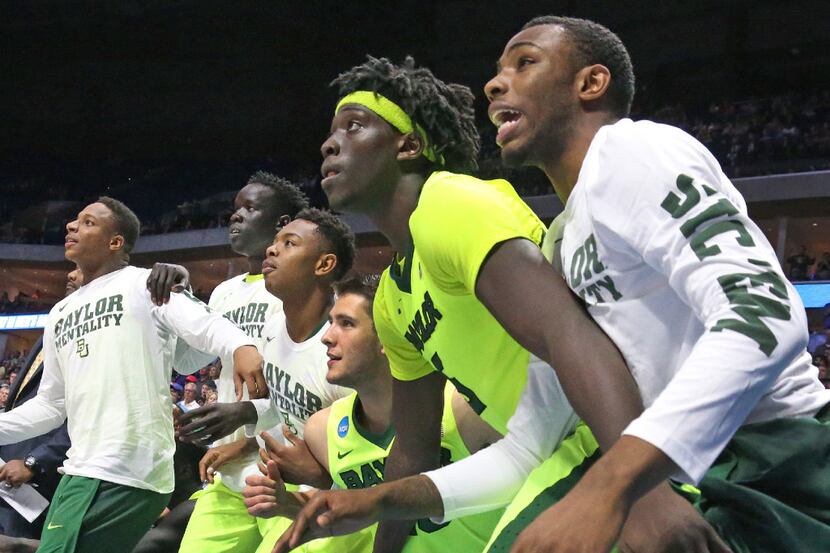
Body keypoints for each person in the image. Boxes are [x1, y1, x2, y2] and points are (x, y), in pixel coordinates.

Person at [275, 56, 711, 553]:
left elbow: (567, 332)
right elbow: (414, 448)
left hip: (623, 440)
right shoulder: (394, 296)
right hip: (543, 456)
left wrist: (640, 489)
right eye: (332, 133)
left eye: (354, 126)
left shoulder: (450, 203)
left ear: (409, 145)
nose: (329, 144)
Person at [480, 15, 830, 552]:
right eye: (498, 71)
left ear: (591, 84)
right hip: (692, 472)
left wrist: (614, 484)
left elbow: (765, 308)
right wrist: (378, 498)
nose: (495, 83)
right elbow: (531, 439)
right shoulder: (562, 239)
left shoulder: (633, 151)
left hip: (783, 467)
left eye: (525, 62)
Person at [0, 197, 263, 553]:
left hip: (129, 468)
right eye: (74, 221)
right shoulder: (60, 312)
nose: (71, 226)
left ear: (116, 242)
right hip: (78, 470)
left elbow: (205, 325)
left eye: (88, 222)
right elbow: (50, 404)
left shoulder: (144, 284)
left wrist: (242, 347)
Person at [249, 274, 503, 553]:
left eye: (346, 323)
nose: (326, 337)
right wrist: (287, 503)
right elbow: (356, 510)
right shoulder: (322, 430)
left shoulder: (463, 407)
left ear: (388, 337)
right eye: (331, 322)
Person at [139, 171, 310, 553]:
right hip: (228, 472)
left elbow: (302, 384)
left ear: (281, 224)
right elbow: (187, 362)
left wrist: (247, 443)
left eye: (249, 208)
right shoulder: (224, 292)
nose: (235, 217)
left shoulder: (293, 289)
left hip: (283, 469)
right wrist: (180, 301)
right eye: (234, 209)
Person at [176, 208, 356, 552]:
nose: (272, 250)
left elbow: (378, 446)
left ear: (323, 265)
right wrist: (246, 434)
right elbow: (285, 406)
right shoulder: (274, 329)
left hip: (320, 498)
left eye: (289, 243)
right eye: (274, 242)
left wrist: (324, 473)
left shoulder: (343, 345)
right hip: (265, 478)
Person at [0, 269, 80, 540]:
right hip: (6, 468)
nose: (70, 274)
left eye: (82, 271)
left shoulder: (92, 343)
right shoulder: (54, 328)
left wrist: (34, 462)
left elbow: (84, 415)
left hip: (33, 478)